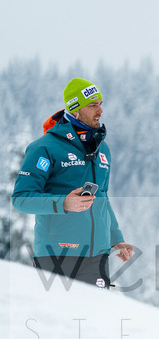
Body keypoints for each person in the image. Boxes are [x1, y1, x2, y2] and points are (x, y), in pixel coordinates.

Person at [12, 77, 133, 288]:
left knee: (93, 319)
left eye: (100, 104)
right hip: (57, 255)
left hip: (97, 256)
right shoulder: (44, 147)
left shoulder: (102, 149)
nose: (100, 111)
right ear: (75, 109)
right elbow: (21, 199)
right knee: (55, 320)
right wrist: (63, 203)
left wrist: (116, 238)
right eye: (93, 105)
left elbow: (102, 198)